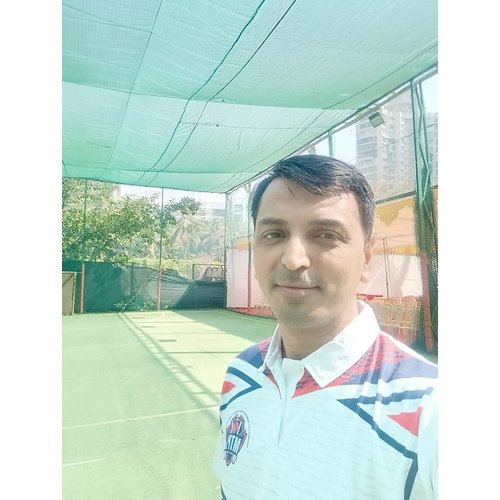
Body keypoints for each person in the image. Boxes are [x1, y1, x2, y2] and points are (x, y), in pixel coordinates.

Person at [212, 154, 438, 499]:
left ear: (366, 258)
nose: (294, 259)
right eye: (274, 234)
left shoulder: (428, 407)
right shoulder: (240, 373)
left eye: (325, 235)